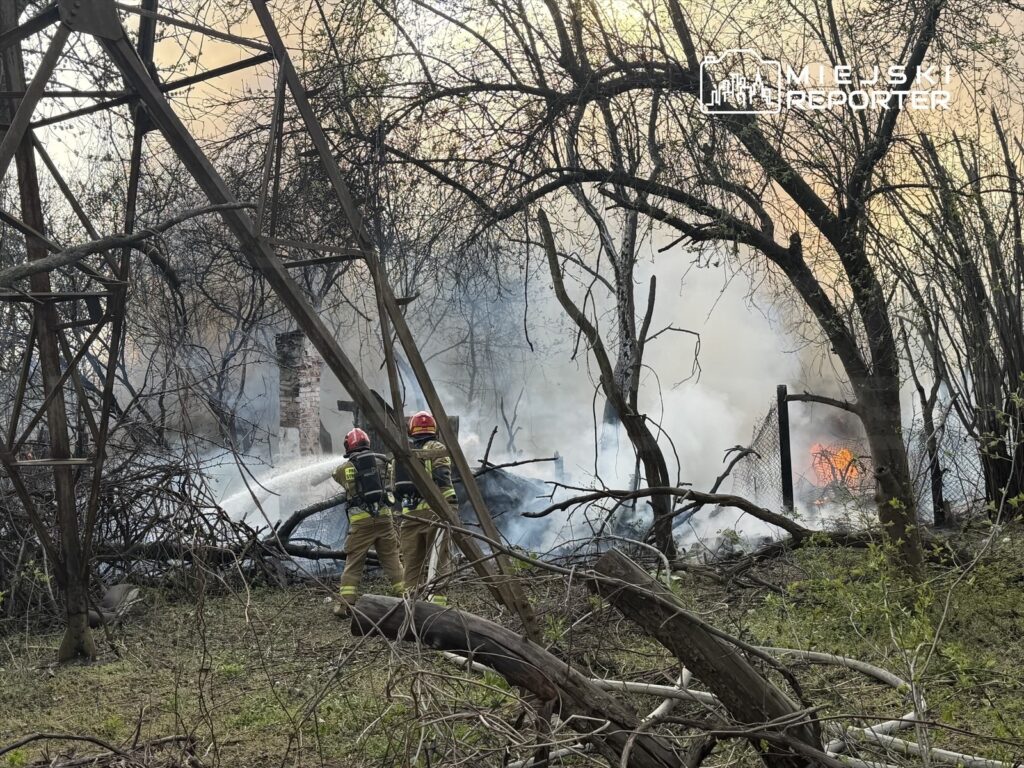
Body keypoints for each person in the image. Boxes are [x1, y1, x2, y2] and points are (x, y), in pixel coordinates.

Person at [331, 427, 405, 617]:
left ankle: (344, 606)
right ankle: (407, 597)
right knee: (392, 560)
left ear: (350, 446)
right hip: (384, 519)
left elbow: (336, 475)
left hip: (361, 523)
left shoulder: (346, 467)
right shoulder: (384, 463)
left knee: (354, 562)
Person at [397, 411, 458, 605]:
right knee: (438, 559)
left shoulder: (402, 451)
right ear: (433, 428)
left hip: (409, 517)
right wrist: (451, 506)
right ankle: (437, 605)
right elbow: (442, 477)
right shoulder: (436, 447)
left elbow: (394, 488)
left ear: (411, 430)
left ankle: (410, 605)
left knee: (412, 565)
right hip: (434, 514)